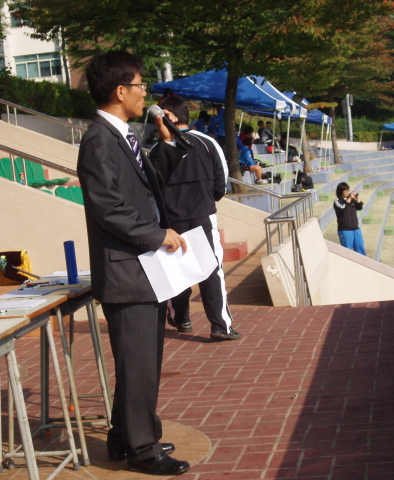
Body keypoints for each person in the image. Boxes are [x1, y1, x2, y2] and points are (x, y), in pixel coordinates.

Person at [77, 50, 190, 476]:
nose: (146, 93)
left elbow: (145, 185)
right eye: (141, 85)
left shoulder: (121, 136)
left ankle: (124, 435)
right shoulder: (99, 140)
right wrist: (156, 235)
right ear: (121, 90)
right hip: (127, 271)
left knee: (138, 361)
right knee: (139, 363)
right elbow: (108, 207)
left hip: (143, 267)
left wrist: (167, 142)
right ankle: (143, 448)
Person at [156, 95, 240, 341]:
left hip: (171, 219)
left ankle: (181, 318)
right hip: (202, 214)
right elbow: (221, 183)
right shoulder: (207, 142)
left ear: (168, 116)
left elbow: (153, 184)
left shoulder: (160, 148)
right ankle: (220, 325)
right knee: (211, 269)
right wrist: (206, 199)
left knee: (176, 268)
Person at [333, 182, 366, 255]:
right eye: (345, 191)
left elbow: (360, 207)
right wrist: (349, 199)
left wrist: (357, 197)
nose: (347, 192)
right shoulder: (338, 201)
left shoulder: (351, 200)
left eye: (348, 190)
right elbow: (343, 208)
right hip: (345, 230)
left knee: (360, 249)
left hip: (355, 228)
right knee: (347, 251)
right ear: (341, 191)